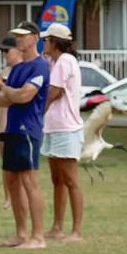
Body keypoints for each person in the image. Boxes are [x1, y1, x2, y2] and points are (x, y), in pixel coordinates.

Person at [0, 19, 50, 250]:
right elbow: (2, 100)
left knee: (29, 181)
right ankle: (21, 235)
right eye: (17, 36)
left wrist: (5, 89)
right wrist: (9, 91)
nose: (18, 39)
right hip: (11, 128)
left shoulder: (40, 66)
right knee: (12, 180)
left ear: (34, 38)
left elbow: (25, 96)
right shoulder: (17, 68)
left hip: (28, 130)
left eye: (23, 35)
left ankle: (38, 237)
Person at [41, 22, 85, 242]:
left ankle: (76, 231)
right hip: (55, 127)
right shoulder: (60, 62)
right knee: (57, 180)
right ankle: (57, 227)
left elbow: (52, 92)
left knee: (70, 180)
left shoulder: (64, 61)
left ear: (53, 42)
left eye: (45, 40)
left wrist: (38, 111)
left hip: (66, 128)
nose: (43, 43)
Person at [0, 34, 20, 210]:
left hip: (15, 121)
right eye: (2, 51)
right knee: (5, 162)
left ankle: (18, 196)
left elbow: (16, 94)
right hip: (1, 120)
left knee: (18, 162)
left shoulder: (23, 70)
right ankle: (8, 197)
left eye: (7, 51)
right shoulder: (3, 72)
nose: (4, 54)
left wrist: (0, 84)